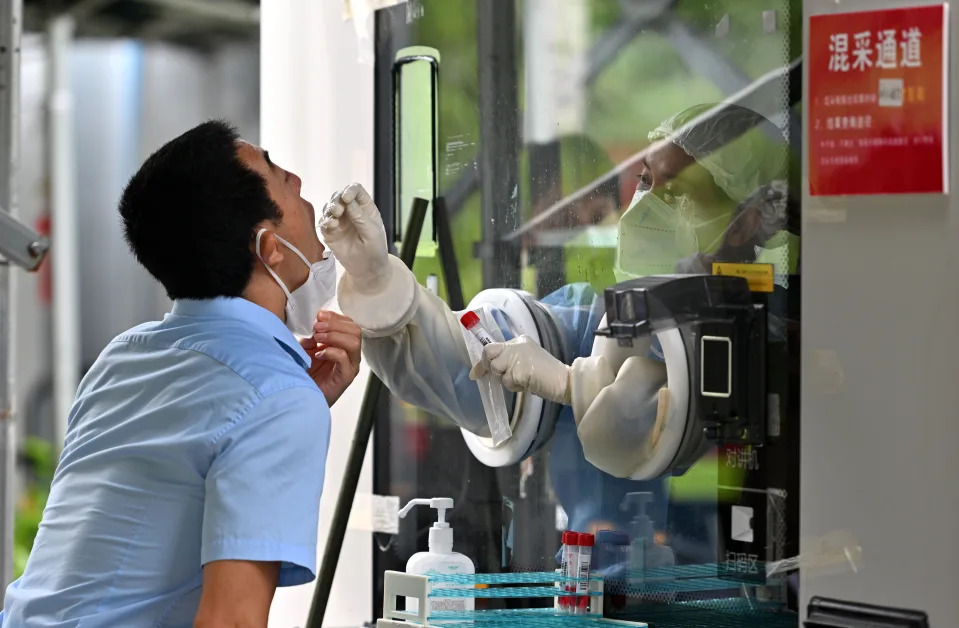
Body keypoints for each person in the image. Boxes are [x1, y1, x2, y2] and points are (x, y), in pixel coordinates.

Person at [322, 104, 794, 562]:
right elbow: (469, 370)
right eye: (648, 181)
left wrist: (572, 385)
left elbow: (678, 410)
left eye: (678, 191)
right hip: (607, 600)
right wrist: (378, 284)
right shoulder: (598, 320)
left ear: (746, 223)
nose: (647, 204)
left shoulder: (786, 334)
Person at [1, 120, 362, 627]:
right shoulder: (276, 397)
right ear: (269, 248)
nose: (298, 181)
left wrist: (296, 404)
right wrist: (290, 407)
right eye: (279, 173)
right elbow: (230, 622)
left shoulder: (124, 358)